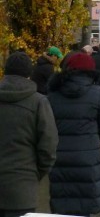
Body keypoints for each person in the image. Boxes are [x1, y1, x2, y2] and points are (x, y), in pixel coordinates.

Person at [47, 52, 100, 216]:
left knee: (63, 202)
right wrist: (93, 135)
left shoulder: (53, 94)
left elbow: (46, 126)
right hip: (88, 155)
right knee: (84, 203)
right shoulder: (97, 93)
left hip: (59, 155)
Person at [0, 51, 58, 217]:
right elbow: (48, 146)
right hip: (22, 187)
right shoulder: (39, 102)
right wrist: (35, 173)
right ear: (29, 73)